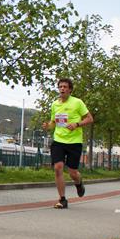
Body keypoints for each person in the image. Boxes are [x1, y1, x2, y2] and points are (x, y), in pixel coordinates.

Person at [42, 78, 93, 209]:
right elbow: (54, 123)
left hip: (74, 142)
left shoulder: (77, 102)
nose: (62, 89)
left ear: (70, 90)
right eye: (60, 87)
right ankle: (62, 199)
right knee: (58, 167)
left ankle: (79, 183)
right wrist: (48, 126)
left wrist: (77, 124)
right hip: (58, 140)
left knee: (72, 172)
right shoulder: (55, 104)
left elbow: (89, 118)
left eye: (65, 87)